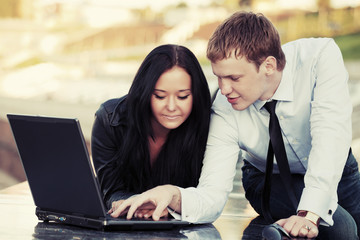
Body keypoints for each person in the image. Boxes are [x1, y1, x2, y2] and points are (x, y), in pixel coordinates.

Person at [110, 11, 360, 239]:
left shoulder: (320, 58)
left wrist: (308, 213)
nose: (224, 88)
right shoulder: (224, 106)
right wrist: (171, 194)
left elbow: (330, 139)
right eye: (219, 77)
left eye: (234, 78)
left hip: (337, 169)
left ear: (268, 66)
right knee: (342, 229)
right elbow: (212, 194)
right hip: (267, 180)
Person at [91, 44, 211, 219]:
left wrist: (170, 207)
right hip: (124, 224)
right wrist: (139, 203)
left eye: (183, 96)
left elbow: (207, 196)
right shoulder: (110, 120)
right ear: (145, 93)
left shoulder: (209, 125)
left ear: (196, 95)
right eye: (160, 96)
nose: (171, 107)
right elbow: (111, 191)